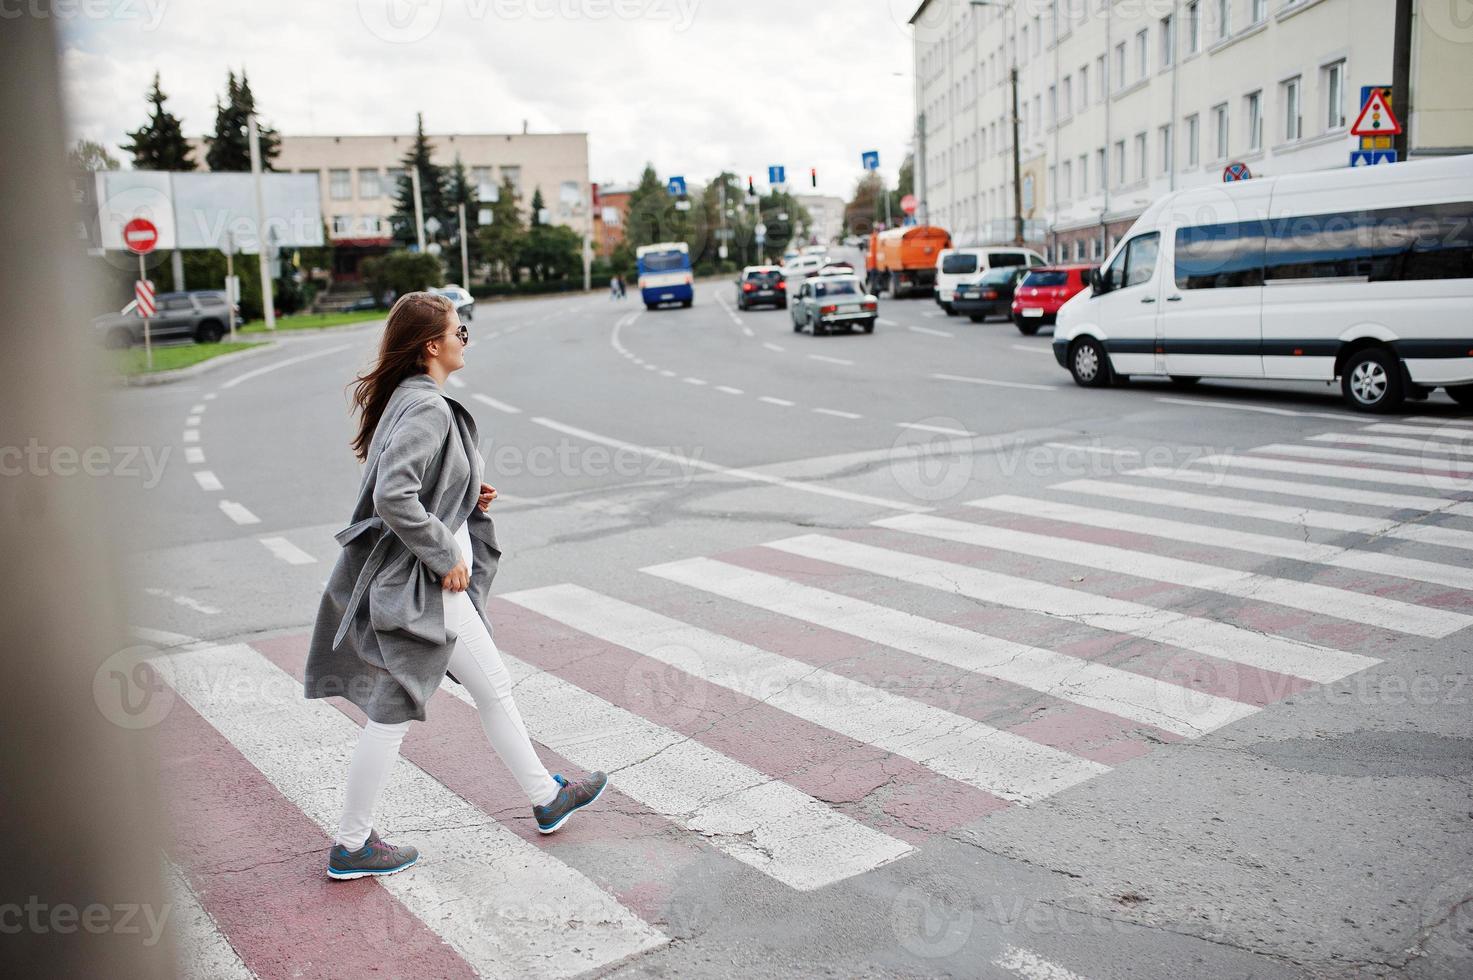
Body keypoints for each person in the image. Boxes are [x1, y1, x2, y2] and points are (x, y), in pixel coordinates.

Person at [304, 291, 607, 880]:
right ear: (432, 346)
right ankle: (352, 844)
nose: (465, 338)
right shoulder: (426, 408)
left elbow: (416, 486)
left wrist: (466, 499)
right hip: (426, 588)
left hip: (421, 588)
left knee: (478, 691)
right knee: (408, 708)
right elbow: (395, 494)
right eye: (458, 331)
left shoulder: (410, 400)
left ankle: (546, 796)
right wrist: (445, 553)